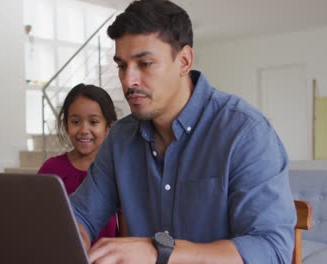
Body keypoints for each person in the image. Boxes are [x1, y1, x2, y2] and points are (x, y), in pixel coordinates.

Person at [69, 0, 296, 263]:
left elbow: (271, 250)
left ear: (185, 61)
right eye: (121, 65)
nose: (128, 80)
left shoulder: (246, 133)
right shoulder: (120, 138)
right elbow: (81, 215)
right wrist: (71, 237)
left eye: (144, 63)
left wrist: (160, 251)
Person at [38, 83, 118, 244]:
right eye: (75, 122)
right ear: (66, 125)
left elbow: (125, 230)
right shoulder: (51, 170)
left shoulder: (117, 170)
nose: (83, 129)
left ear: (108, 127)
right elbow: (38, 220)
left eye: (94, 122)